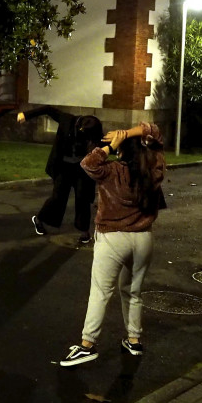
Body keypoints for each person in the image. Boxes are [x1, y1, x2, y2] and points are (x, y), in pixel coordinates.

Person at [59, 122, 166, 367]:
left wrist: (108, 146)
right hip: (143, 238)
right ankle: (133, 339)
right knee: (133, 291)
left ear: (122, 151)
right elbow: (156, 133)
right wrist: (129, 134)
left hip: (113, 238)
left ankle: (87, 345)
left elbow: (87, 163)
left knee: (100, 292)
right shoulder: (154, 168)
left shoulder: (112, 170)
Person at [17, 107, 103, 244]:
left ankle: (84, 231)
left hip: (82, 167)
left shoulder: (93, 130)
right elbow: (48, 109)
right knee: (58, 197)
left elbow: (104, 143)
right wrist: (26, 114)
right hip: (64, 165)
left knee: (83, 197)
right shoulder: (67, 120)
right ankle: (39, 219)